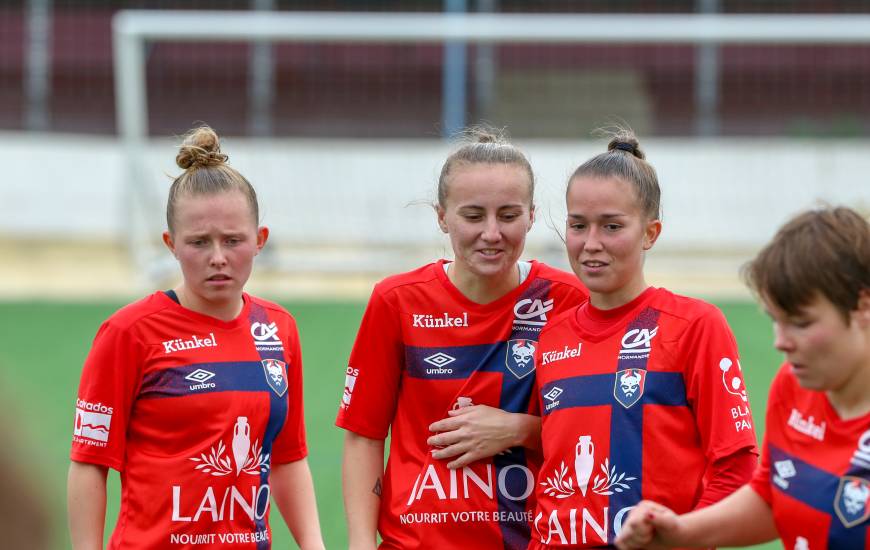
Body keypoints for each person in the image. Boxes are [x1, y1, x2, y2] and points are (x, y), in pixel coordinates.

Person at [67, 126, 324, 550]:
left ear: (260, 241)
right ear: (171, 244)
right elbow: (89, 465)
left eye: (233, 240)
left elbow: (287, 457)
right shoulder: (128, 333)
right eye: (199, 242)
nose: (218, 257)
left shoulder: (279, 329)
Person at [335, 128, 589, 550]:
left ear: (531, 214)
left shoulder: (567, 300)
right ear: (442, 216)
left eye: (508, 216)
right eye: (473, 216)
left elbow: (595, 433)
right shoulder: (396, 301)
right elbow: (364, 434)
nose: (492, 233)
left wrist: (519, 429)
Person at [529, 129, 759, 548]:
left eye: (611, 226)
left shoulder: (695, 325)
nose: (591, 243)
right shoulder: (550, 336)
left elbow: (736, 466)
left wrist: (682, 538)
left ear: (651, 233)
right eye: (578, 225)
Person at [615, 206, 870, 550]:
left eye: (802, 323)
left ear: (862, 307)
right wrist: (682, 532)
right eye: (775, 320)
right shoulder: (793, 384)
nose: (781, 341)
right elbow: (773, 494)